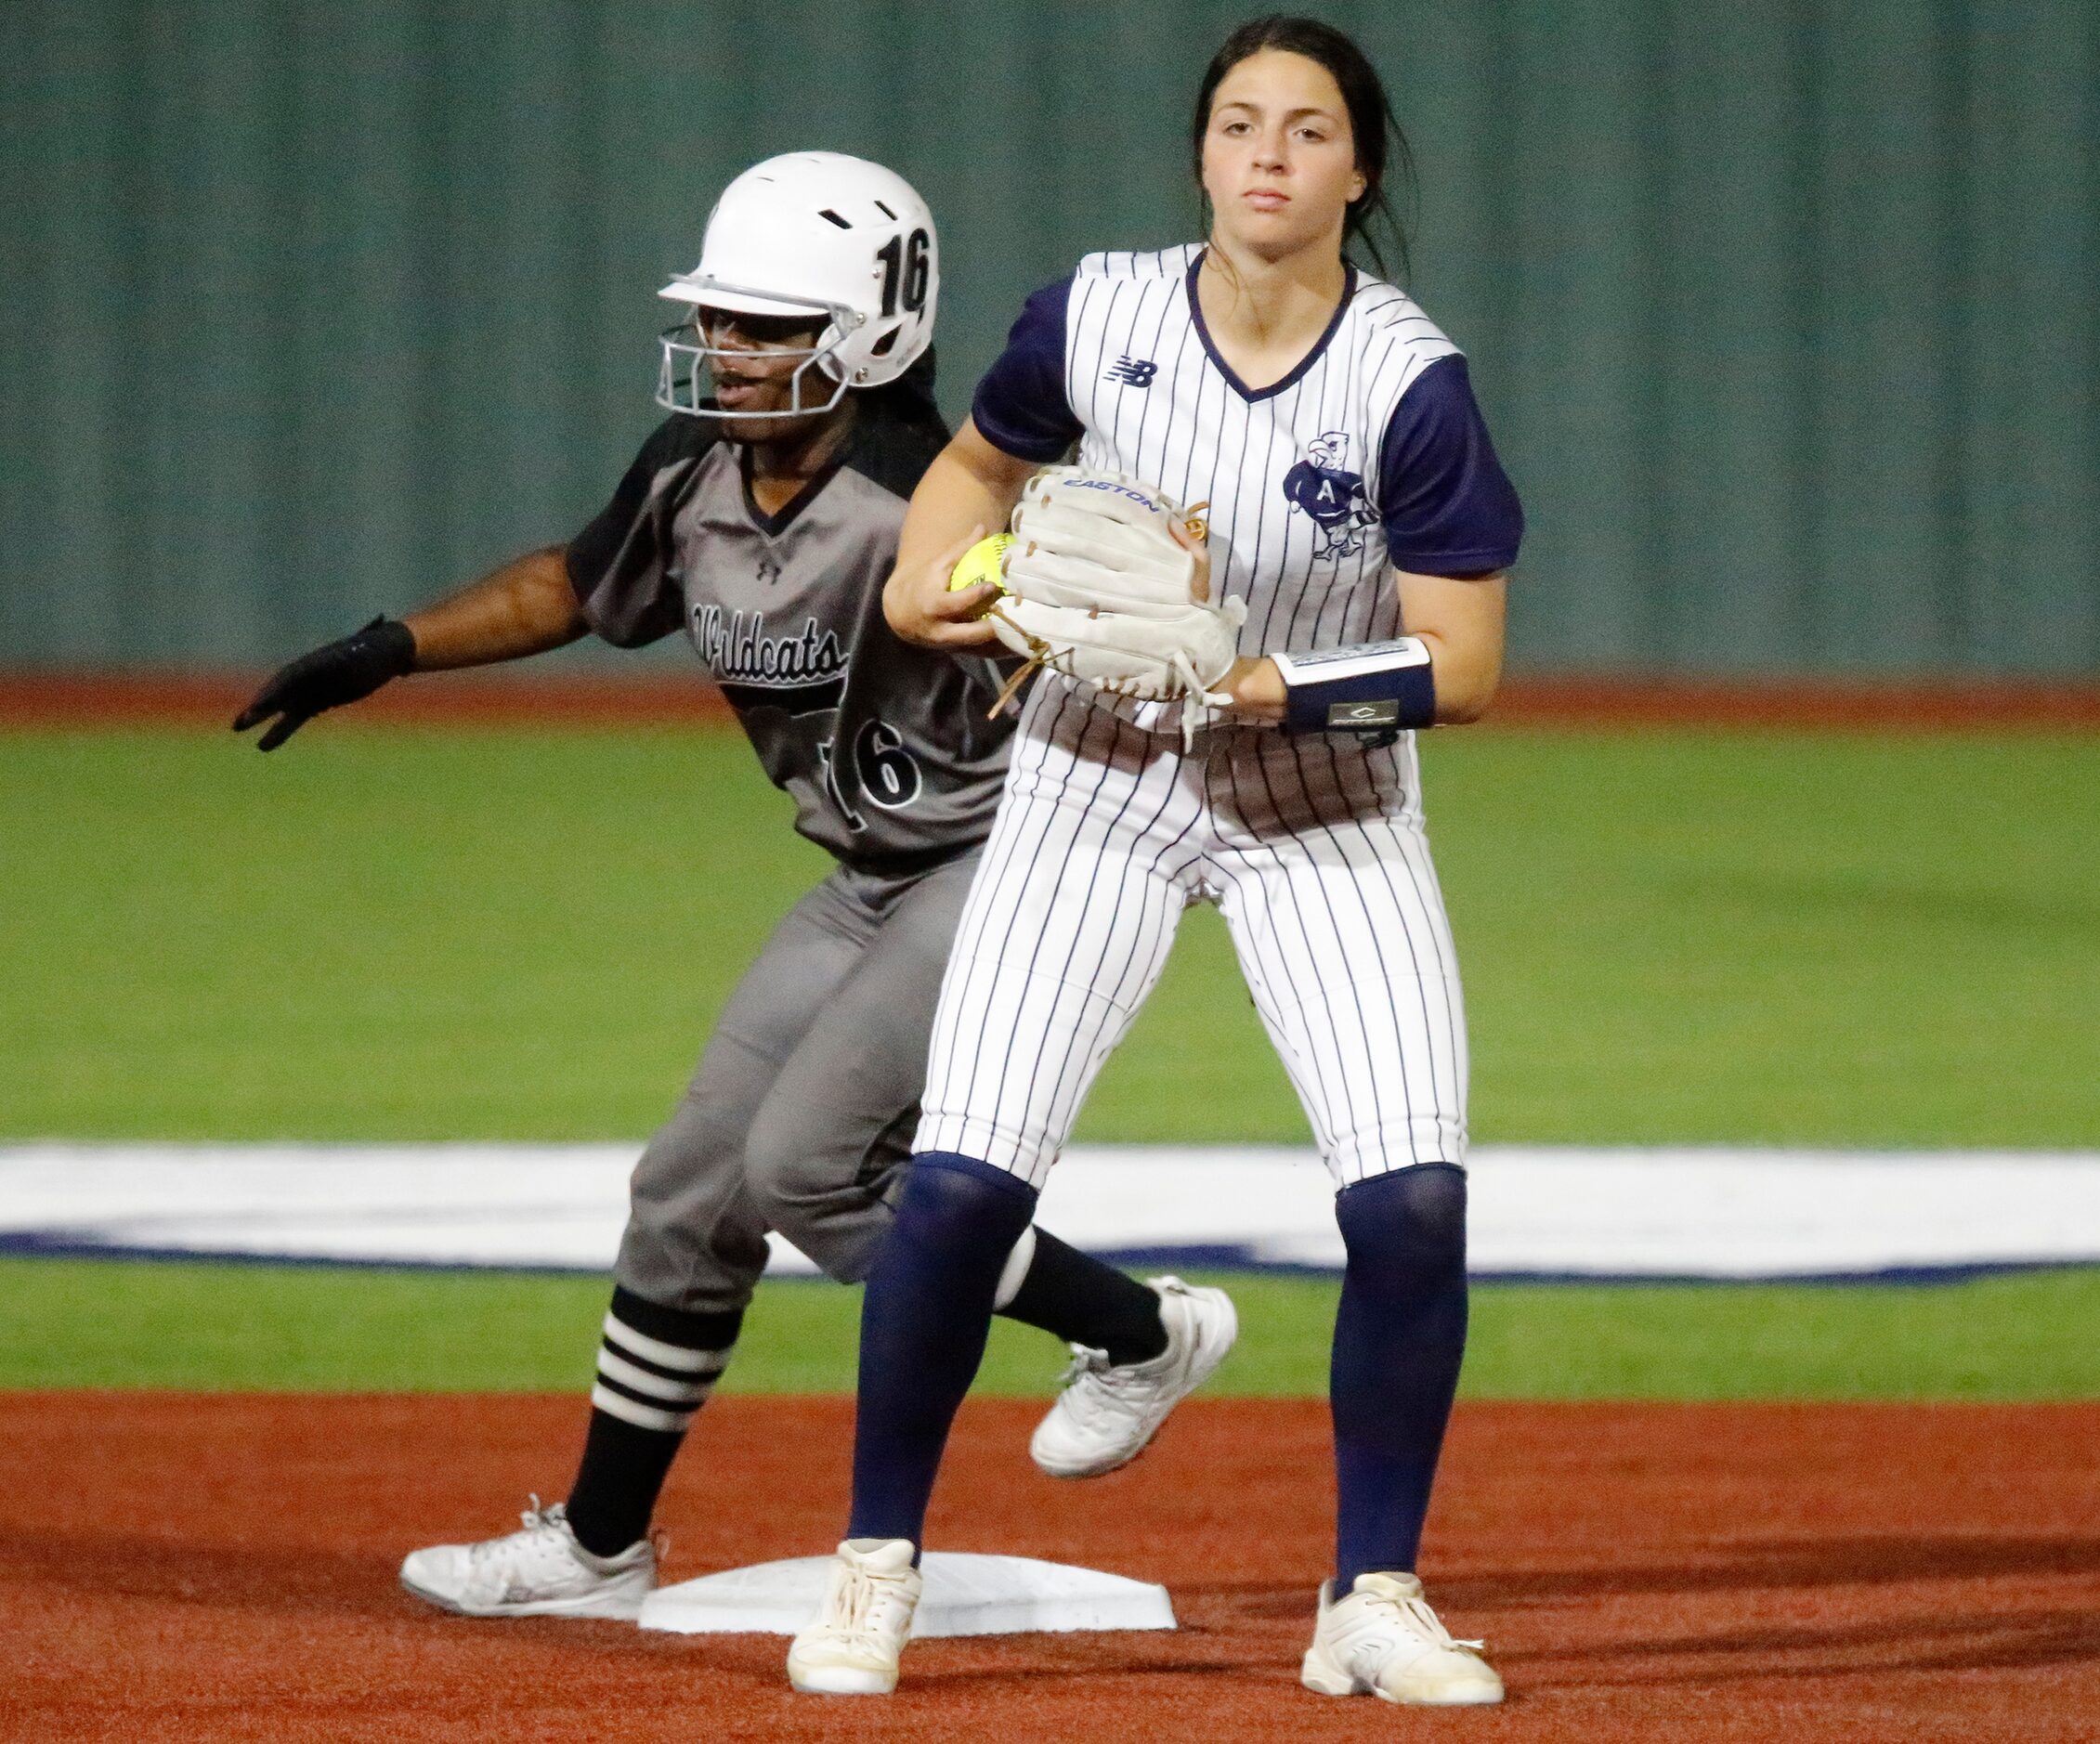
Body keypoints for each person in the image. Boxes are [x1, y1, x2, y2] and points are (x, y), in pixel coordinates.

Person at [232, 151, 1236, 1621]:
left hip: (1008, 862)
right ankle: (597, 1542)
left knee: (808, 1170)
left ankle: (1139, 1330)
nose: (727, 346)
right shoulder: (693, 469)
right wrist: (388, 647)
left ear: (870, 332)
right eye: (720, 317)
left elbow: (1102, 645)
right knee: (688, 1193)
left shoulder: (927, 494)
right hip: (863, 873)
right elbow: (577, 585)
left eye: (768, 323)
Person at [784, 20, 1522, 1706]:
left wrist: (1264, 682)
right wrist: (930, 582)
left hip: (1318, 806)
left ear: (1359, 170)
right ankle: (870, 1567)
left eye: (1308, 129)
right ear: (1201, 155)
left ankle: (1370, 1596)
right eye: (1238, 123)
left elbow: (1461, 664)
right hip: (1093, 783)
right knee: (960, 1185)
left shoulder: (1404, 379)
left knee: (1410, 1206)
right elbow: (974, 466)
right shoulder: (1098, 314)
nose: (1268, 154)